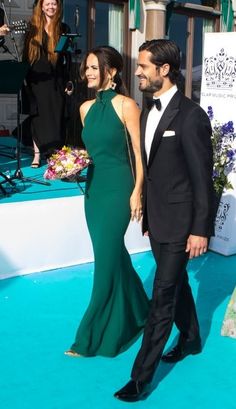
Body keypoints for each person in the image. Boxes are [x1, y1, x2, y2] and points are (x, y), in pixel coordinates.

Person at [114, 39, 215, 402]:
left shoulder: (191, 117)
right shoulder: (148, 111)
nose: (137, 72)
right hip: (157, 219)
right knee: (177, 284)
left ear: (164, 70)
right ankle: (189, 339)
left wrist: (200, 229)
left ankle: (140, 378)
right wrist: (147, 212)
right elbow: (154, 169)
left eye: (143, 66)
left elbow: (203, 179)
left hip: (182, 222)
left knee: (161, 297)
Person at [65, 45, 149, 358]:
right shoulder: (85, 109)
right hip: (94, 189)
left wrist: (138, 191)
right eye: (85, 67)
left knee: (106, 257)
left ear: (110, 71)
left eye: (92, 67)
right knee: (113, 254)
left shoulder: (127, 106)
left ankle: (89, 336)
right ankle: (140, 310)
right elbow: (94, 151)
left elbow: (139, 154)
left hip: (119, 188)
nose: (86, 72)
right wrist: (71, 164)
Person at [23, 0, 71, 167]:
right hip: (36, 78)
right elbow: (25, 55)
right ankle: (37, 154)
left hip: (56, 77)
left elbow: (68, 58)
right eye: (48, 3)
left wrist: (69, 80)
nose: (51, 7)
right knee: (38, 115)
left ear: (58, 6)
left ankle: (55, 155)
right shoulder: (32, 27)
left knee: (57, 115)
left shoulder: (63, 29)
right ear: (41, 6)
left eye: (54, 4)